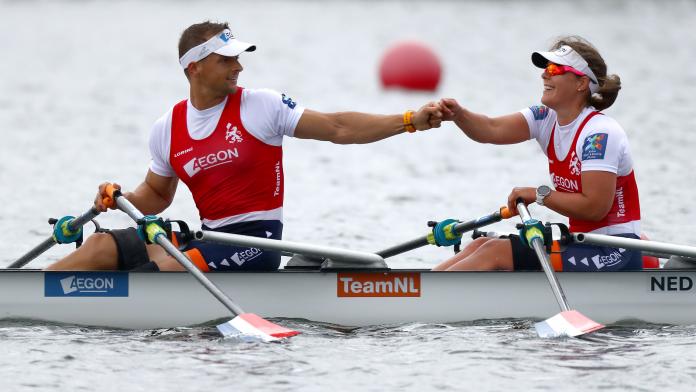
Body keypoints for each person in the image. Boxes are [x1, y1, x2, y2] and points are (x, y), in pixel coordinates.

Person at [46, 21, 442, 272]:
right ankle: (29, 296)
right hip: (207, 239)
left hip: (257, 245)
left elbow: (338, 127)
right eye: (227, 60)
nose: (239, 67)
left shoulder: (261, 106)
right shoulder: (166, 128)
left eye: (239, 59)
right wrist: (120, 200)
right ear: (194, 67)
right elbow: (156, 195)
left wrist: (408, 121)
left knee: (161, 274)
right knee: (101, 245)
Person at [433, 36, 642, 272]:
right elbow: (491, 129)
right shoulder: (545, 118)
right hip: (581, 243)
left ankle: (421, 303)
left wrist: (538, 194)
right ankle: (416, 294)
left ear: (581, 83)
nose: (545, 74)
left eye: (555, 68)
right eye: (545, 68)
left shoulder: (599, 134)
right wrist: (459, 114)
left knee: (494, 252)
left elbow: (595, 208)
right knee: (482, 243)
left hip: (615, 251)